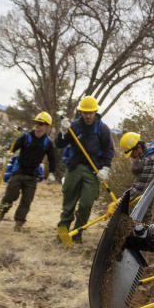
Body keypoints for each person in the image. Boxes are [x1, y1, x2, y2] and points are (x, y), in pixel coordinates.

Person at [55, 95, 113, 243]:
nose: (87, 115)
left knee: (86, 204)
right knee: (68, 204)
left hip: (93, 170)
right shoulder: (74, 126)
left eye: (90, 113)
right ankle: (62, 235)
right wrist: (63, 132)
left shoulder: (103, 129)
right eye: (84, 112)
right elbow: (59, 144)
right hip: (74, 167)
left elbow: (109, 150)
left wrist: (106, 168)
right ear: (81, 112)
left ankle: (77, 235)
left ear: (95, 112)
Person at [0, 112, 58, 231]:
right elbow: (13, 148)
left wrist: (52, 173)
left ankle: (18, 224)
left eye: (41, 124)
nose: (38, 125)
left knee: (26, 201)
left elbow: (52, 158)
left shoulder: (47, 142)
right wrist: (6, 155)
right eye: (36, 123)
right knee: (9, 197)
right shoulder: (26, 136)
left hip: (32, 176)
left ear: (46, 126)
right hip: (18, 172)